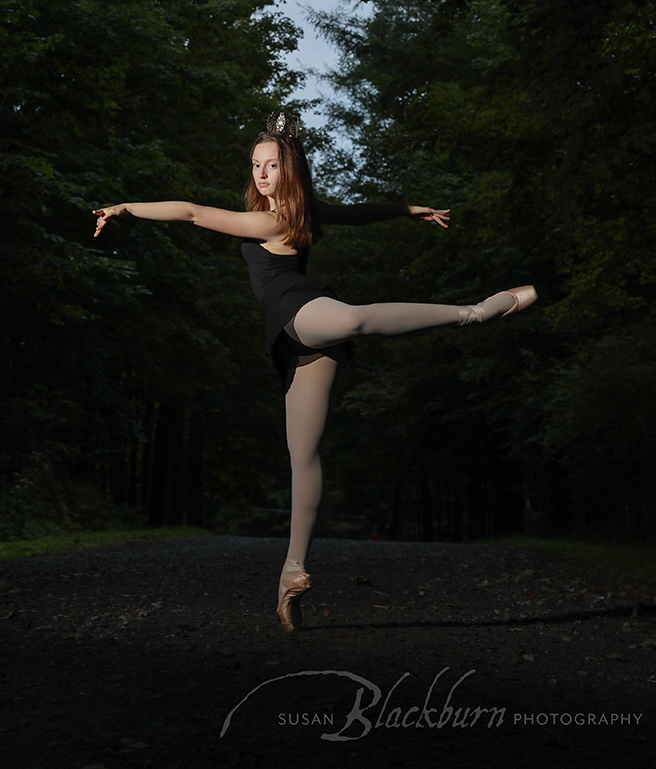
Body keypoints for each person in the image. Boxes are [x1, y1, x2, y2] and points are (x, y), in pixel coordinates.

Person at [92, 111, 536, 633]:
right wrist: (405, 209)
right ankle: (291, 576)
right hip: (295, 338)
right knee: (302, 457)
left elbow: (191, 212)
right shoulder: (299, 215)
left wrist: (126, 207)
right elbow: (354, 213)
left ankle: (476, 312)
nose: (260, 174)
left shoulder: (278, 219)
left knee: (352, 319)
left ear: (290, 169)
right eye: (255, 165)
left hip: (305, 313)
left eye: (271, 165)